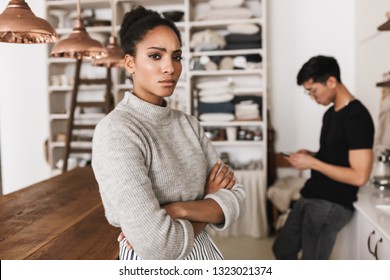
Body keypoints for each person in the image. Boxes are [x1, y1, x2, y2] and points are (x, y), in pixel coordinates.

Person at [92, 6, 246, 260]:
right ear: (130, 63)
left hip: (205, 254)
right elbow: (159, 247)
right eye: (155, 56)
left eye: (176, 57)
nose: (170, 68)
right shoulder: (116, 131)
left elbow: (237, 198)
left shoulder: (189, 124)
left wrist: (176, 210)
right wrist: (206, 204)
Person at [272, 55, 375, 260]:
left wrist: (313, 163)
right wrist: (311, 155)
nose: (313, 97)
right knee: (282, 249)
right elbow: (337, 155)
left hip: (332, 203)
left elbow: (359, 176)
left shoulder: (358, 117)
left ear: (331, 81)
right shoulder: (330, 114)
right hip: (312, 193)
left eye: (313, 91)